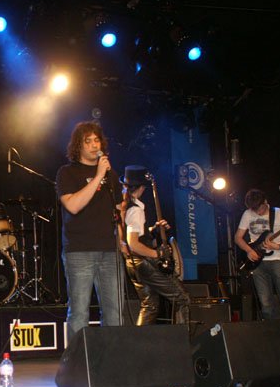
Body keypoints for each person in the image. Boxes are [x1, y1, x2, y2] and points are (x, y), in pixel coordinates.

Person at [56, 121, 123, 342]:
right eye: (88, 141)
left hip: (110, 251)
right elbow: (73, 205)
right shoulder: (67, 173)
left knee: (115, 312)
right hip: (79, 251)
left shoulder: (112, 176)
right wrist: (98, 176)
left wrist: (122, 242)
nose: (95, 145)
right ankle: (77, 360)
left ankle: (111, 359)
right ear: (78, 145)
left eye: (97, 140)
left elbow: (118, 211)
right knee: (79, 313)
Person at [234, 188, 280, 349]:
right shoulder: (247, 214)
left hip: (278, 260)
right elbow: (238, 238)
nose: (257, 212)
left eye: (259, 209)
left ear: (265, 202)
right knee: (266, 304)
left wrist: (278, 245)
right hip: (258, 264)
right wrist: (249, 251)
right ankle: (275, 339)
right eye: (253, 210)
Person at [121, 165, 190, 326]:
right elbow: (133, 244)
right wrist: (157, 254)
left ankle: (140, 341)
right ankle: (182, 338)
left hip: (133, 263)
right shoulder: (136, 210)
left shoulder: (127, 206)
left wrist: (153, 230)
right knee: (182, 298)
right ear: (142, 187)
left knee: (150, 305)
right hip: (142, 263)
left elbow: (136, 236)